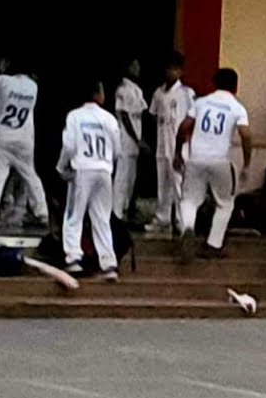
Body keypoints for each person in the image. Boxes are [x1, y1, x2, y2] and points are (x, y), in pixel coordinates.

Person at [174, 68, 252, 260]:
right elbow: (246, 134)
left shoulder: (200, 102)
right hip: (220, 160)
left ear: (214, 83)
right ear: (236, 86)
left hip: (196, 158)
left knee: (189, 200)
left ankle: (188, 228)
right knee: (225, 203)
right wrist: (247, 162)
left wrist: (178, 152)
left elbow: (184, 126)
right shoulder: (237, 108)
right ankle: (214, 244)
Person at [56, 79, 121, 281]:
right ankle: (109, 263)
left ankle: (73, 258)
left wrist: (61, 166)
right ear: (98, 94)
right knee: (101, 217)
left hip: (82, 169)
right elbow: (117, 148)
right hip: (103, 169)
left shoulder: (75, 116)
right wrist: (107, 162)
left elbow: (69, 145)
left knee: (74, 215)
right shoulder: (109, 118)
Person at [0, 59, 49, 227]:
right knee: (31, 176)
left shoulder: (4, 81)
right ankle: (42, 213)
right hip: (24, 139)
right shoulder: (33, 87)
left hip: (3, 136)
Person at [149, 52, 196, 233]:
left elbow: (192, 119)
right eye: (168, 68)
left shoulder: (186, 93)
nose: (171, 72)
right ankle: (163, 218)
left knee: (179, 184)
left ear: (181, 71)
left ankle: (183, 222)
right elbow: (154, 116)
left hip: (179, 146)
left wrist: (184, 145)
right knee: (163, 184)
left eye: (175, 69)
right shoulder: (159, 93)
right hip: (162, 144)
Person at [113, 58, 148, 223]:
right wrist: (137, 138)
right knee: (122, 177)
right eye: (134, 65)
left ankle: (125, 210)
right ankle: (116, 212)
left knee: (130, 178)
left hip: (134, 141)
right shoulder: (123, 89)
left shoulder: (137, 90)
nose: (138, 68)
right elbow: (125, 116)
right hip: (125, 140)